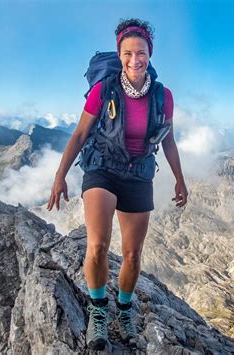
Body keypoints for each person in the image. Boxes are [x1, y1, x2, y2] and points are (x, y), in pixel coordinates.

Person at [47, 18, 188, 351]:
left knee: (132, 255)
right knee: (97, 245)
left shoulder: (162, 96)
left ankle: (123, 311)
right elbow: (81, 134)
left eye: (140, 53)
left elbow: (168, 141)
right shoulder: (104, 89)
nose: (134, 60)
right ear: (119, 54)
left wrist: (180, 178)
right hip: (102, 169)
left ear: (149, 54)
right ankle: (99, 311)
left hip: (139, 173)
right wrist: (59, 175)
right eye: (127, 53)